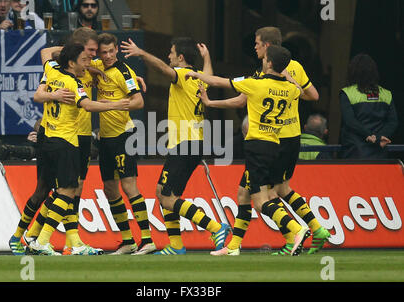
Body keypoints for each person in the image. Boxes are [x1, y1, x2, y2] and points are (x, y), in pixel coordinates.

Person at [187, 45, 310, 257]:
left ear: (269, 63)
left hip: (256, 146)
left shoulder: (255, 84)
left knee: (261, 201)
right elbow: (300, 90)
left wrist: (194, 73)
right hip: (274, 145)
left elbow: (218, 81)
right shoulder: (290, 90)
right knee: (243, 194)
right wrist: (288, 76)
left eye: (266, 59)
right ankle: (234, 246)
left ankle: (296, 229)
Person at [121, 37, 231, 255]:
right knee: (163, 192)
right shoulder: (198, 78)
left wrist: (141, 53)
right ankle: (177, 246)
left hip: (184, 144)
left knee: (168, 197)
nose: (168, 56)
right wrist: (207, 57)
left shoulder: (181, 75)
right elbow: (208, 75)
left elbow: (163, 69)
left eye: (171, 52)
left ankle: (216, 227)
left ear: (181, 57)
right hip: (193, 143)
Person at [27, 42, 130, 255]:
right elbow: (88, 105)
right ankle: (41, 240)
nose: (88, 63)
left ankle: (42, 239)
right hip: (66, 141)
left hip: (49, 139)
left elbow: (45, 54)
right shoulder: (73, 82)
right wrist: (116, 104)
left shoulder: (52, 69)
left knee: (64, 190)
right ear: (72, 62)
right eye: (84, 60)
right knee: (67, 191)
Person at [11, 27, 104, 256]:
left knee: (70, 188)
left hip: (77, 135)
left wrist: (132, 77)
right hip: (61, 136)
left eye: (94, 52)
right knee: (54, 189)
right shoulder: (66, 71)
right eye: (88, 52)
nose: (93, 56)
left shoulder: (91, 66)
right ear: (73, 55)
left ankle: (69, 242)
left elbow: (117, 73)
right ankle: (26, 236)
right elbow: (40, 90)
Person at [249, 27, 329, 255]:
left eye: (257, 43)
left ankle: (296, 233)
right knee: (284, 188)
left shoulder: (269, 70)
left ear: (267, 46)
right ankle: (316, 229)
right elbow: (314, 95)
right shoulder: (295, 66)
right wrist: (293, 90)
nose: (254, 47)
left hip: (275, 139)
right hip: (292, 136)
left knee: (267, 195)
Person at [89, 33, 155, 255]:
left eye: (110, 51)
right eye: (103, 52)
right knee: (109, 190)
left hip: (124, 134)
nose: (107, 56)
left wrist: (112, 104)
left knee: (129, 186)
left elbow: (138, 101)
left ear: (116, 49)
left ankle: (147, 239)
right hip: (106, 137)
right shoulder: (95, 65)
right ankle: (128, 241)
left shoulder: (124, 72)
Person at [339, 53, 398, 159]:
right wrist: (379, 137)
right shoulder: (386, 94)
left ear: (353, 72)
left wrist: (369, 135)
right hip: (380, 151)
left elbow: (350, 121)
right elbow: (393, 122)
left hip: (354, 152)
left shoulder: (347, 93)